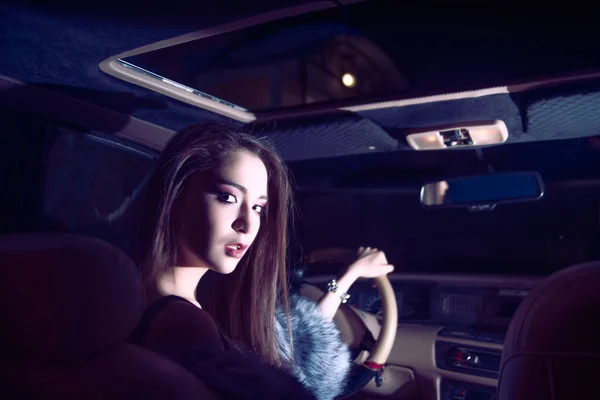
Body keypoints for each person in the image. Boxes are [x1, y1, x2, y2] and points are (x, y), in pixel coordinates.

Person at [128, 124, 394, 400]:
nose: (248, 224)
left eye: (258, 207)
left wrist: (350, 275)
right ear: (175, 197)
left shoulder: (150, 296)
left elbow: (288, 348)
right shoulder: (185, 322)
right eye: (227, 197)